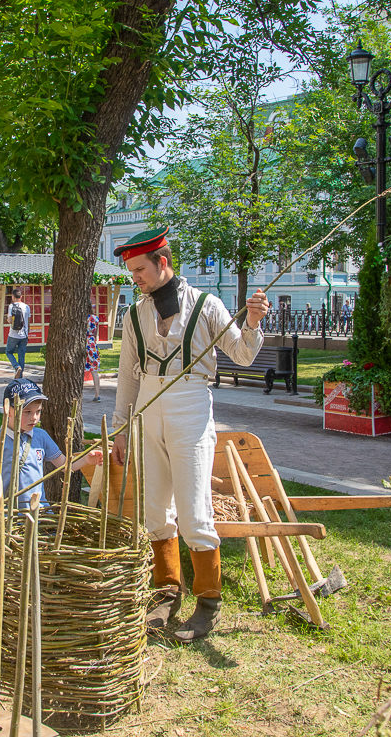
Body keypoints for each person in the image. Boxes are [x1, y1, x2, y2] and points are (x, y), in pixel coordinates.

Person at [108, 227, 270, 641]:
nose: (135, 278)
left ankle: (208, 602)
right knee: (154, 511)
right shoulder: (134, 315)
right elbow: (127, 375)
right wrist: (122, 429)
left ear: (163, 262)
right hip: (146, 406)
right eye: (131, 271)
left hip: (190, 405)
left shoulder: (207, 305)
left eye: (140, 270)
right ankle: (166, 591)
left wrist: (251, 321)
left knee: (194, 511)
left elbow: (244, 354)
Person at [0, 379, 102, 507]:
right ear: (8, 411)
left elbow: (64, 465)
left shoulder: (41, 436)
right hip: (6, 515)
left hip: (38, 510)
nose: (34, 417)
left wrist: (86, 460)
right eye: (27, 412)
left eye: (38, 411)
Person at [5, 289, 31, 379]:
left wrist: (7, 319)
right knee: (21, 355)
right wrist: (28, 333)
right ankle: (20, 378)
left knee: (8, 352)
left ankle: (16, 367)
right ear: (21, 297)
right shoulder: (27, 307)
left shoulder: (11, 306)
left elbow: (10, 320)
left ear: (13, 297)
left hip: (13, 334)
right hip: (24, 335)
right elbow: (28, 321)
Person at [85, 306, 102, 402]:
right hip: (92, 343)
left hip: (83, 342)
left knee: (79, 370)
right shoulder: (96, 318)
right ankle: (97, 395)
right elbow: (96, 334)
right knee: (95, 371)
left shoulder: (83, 318)